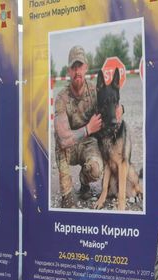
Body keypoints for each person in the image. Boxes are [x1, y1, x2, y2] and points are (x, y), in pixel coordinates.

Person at [54, 45, 123, 208]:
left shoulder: (95, 90)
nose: (77, 71)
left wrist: (121, 109)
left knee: (96, 169)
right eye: (73, 67)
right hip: (67, 148)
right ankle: (66, 194)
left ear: (86, 68)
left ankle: (84, 181)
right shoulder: (61, 98)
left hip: (88, 144)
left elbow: (112, 105)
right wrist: (87, 129)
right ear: (69, 71)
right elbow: (63, 140)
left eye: (80, 66)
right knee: (61, 145)